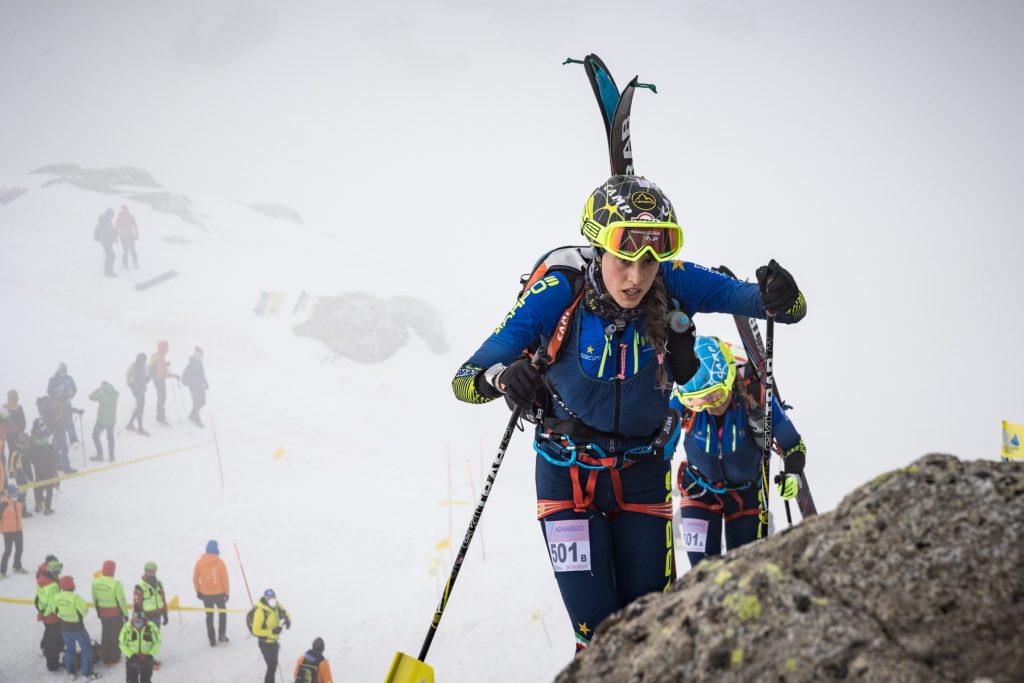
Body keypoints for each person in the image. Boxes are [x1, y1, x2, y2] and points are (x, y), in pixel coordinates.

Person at [451, 175, 807, 652]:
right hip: (567, 478)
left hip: (643, 473)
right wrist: (502, 378)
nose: (637, 278)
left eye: (648, 261)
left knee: (651, 635)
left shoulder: (674, 279)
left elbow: (779, 309)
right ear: (599, 250)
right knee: (597, 639)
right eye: (624, 260)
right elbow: (465, 379)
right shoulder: (561, 290)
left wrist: (784, 294)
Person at [672, 336, 807, 568]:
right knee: (703, 572)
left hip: (745, 497)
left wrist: (792, 472)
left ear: (728, 379)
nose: (709, 406)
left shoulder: (758, 397)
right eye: (697, 402)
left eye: (714, 395)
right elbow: (656, 429)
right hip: (698, 493)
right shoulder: (683, 398)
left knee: (742, 571)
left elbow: (794, 445)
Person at [47, 574, 100, 679]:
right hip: (77, 628)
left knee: (70, 650)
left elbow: (54, 610)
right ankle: (87, 674)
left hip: (64, 628)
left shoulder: (56, 597)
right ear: (71, 585)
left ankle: (69, 672)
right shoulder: (76, 598)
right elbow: (84, 612)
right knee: (87, 649)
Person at [92, 560, 130, 666]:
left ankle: (105, 658)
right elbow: (121, 601)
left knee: (105, 634)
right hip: (116, 614)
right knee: (115, 636)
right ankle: (114, 658)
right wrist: (125, 614)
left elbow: (94, 599)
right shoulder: (116, 584)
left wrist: (98, 611)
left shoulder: (95, 582)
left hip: (103, 613)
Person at [193, 539, 230, 646]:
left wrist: (198, 591)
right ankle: (221, 635)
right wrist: (226, 593)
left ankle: (211, 639)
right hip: (219, 594)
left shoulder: (199, 562)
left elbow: (195, 577)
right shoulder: (220, 562)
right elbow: (225, 579)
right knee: (222, 614)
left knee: (209, 617)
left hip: (205, 595)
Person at [251, 588, 291, 683]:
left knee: (273, 665)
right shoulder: (260, 612)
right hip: (265, 644)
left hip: (274, 642)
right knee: (272, 667)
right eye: (270, 599)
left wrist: (288, 620)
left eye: (273, 598)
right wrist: (271, 632)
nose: (272, 600)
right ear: (266, 599)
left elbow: (285, 612)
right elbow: (256, 631)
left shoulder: (276, 605)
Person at [47, 362, 80, 472]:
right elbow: (49, 391)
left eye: (65, 369)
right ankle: (62, 465)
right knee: (61, 445)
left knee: (69, 422)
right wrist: (57, 393)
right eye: (62, 370)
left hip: (66, 403)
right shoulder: (53, 380)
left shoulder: (69, 378)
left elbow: (75, 389)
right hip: (59, 414)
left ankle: (72, 438)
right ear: (58, 370)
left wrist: (71, 394)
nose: (64, 372)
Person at [36, 558, 65, 672]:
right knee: (53, 639)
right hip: (51, 616)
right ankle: (52, 664)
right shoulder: (53, 585)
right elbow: (53, 604)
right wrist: (45, 614)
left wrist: (41, 612)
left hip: (44, 612)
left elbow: (40, 598)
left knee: (49, 635)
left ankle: (46, 649)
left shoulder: (42, 579)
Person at [120, 610, 162, 683]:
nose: (138, 623)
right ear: (132, 619)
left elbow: (157, 642)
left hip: (146, 659)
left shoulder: (151, 627)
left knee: (146, 680)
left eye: (140, 620)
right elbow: (122, 644)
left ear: (144, 620)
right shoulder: (127, 628)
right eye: (136, 620)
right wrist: (131, 655)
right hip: (132, 659)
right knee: (131, 680)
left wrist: (151, 655)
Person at [28, 419, 58, 515]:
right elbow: (54, 457)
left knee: (38, 485)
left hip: (38, 467)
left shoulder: (32, 440)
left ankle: (38, 504)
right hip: (47, 467)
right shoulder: (48, 441)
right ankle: (47, 507)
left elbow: (30, 456)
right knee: (49, 487)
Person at [148, 341, 179, 426]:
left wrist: (165, 364)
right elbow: (162, 374)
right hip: (159, 380)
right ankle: (160, 418)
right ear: (164, 348)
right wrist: (173, 375)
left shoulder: (156, 354)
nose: (167, 350)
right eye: (166, 348)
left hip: (156, 379)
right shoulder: (160, 357)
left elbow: (158, 366)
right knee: (162, 398)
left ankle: (161, 416)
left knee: (161, 397)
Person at [6, 431, 34, 518]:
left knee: (21, 494)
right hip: (21, 477)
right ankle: (21, 511)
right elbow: (24, 466)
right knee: (21, 495)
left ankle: (21, 510)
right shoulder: (20, 453)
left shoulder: (17, 451)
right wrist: (28, 476)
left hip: (20, 476)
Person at [89, 381, 119, 462]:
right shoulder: (115, 395)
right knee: (110, 438)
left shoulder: (102, 396)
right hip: (112, 421)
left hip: (101, 421)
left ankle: (100, 455)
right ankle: (111, 456)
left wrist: (98, 390)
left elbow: (91, 397)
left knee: (95, 436)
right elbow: (116, 392)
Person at [0, 483, 26, 577]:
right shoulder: (4, 503)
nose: (16, 496)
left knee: (19, 549)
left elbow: (22, 502)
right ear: (9, 494)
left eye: (16, 494)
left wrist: (21, 493)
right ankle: (2, 572)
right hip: (8, 532)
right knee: (8, 551)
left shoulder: (18, 502)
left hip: (18, 530)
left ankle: (17, 566)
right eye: (14, 494)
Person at [133, 561, 168, 628]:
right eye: (149, 572)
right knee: (146, 637)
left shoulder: (159, 584)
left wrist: (165, 613)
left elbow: (163, 599)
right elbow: (137, 604)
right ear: (145, 571)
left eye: (153, 572)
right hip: (146, 616)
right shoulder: (140, 586)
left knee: (155, 635)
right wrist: (139, 617)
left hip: (157, 616)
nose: (151, 574)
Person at [181, 347, 209, 427]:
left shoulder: (200, 364)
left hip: (200, 386)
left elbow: (202, 375)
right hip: (194, 387)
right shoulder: (191, 364)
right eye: (200, 355)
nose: (201, 357)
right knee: (196, 402)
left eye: (202, 355)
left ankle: (192, 415)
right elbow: (185, 375)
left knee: (202, 402)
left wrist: (206, 383)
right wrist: (189, 383)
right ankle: (196, 418)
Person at [126, 354, 151, 436]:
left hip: (135, 389)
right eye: (144, 359)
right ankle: (140, 429)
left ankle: (130, 424)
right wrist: (141, 390)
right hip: (139, 390)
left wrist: (146, 379)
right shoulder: (139, 368)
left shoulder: (135, 366)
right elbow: (139, 380)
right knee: (140, 408)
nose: (145, 361)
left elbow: (142, 379)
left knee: (139, 407)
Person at [94, 207, 117, 277]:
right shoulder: (103, 221)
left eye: (112, 215)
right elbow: (98, 229)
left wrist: (115, 238)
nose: (111, 216)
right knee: (111, 256)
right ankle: (108, 272)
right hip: (106, 242)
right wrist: (98, 237)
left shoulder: (108, 222)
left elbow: (111, 232)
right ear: (107, 214)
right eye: (109, 214)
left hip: (108, 242)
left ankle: (108, 271)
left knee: (110, 256)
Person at [116, 205, 139, 270]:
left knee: (133, 250)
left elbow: (135, 226)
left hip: (131, 236)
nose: (125, 211)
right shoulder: (119, 218)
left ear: (127, 210)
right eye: (123, 209)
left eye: (126, 209)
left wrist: (137, 234)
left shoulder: (131, 217)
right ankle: (125, 264)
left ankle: (135, 263)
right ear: (122, 210)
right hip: (123, 237)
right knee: (126, 250)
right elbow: (116, 227)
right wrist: (117, 233)